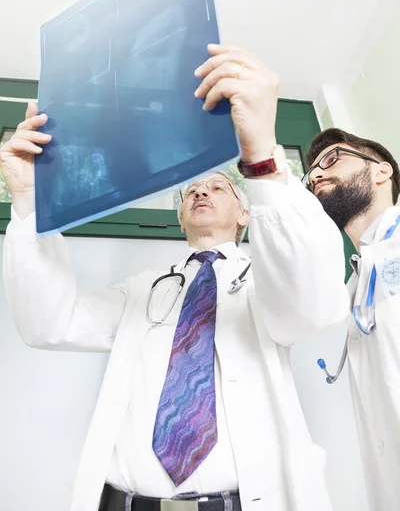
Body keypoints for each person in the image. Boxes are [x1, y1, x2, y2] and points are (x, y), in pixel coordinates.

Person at [2, 45, 348, 511]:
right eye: (191, 192)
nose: (202, 189)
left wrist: (262, 158)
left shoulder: (269, 279)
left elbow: (310, 302)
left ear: (246, 212)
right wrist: (27, 202)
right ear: (182, 220)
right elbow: (50, 322)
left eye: (220, 186)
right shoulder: (142, 290)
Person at [304, 128, 400, 511]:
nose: (315, 176)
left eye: (331, 159)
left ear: (381, 172)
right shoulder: (353, 285)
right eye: (309, 174)